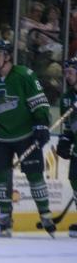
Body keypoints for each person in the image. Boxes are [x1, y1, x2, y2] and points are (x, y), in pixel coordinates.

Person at [0, 40, 55, 237]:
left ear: (8, 56)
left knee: (34, 174)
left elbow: (39, 102)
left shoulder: (24, 75)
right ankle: (5, 217)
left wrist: (41, 124)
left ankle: (45, 213)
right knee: (1, 177)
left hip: (25, 135)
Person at [57, 56, 77, 238]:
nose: (67, 76)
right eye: (66, 73)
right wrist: (65, 139)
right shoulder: (66, 98)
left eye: (71, 72)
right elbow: (70, 126)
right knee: (75, 179)